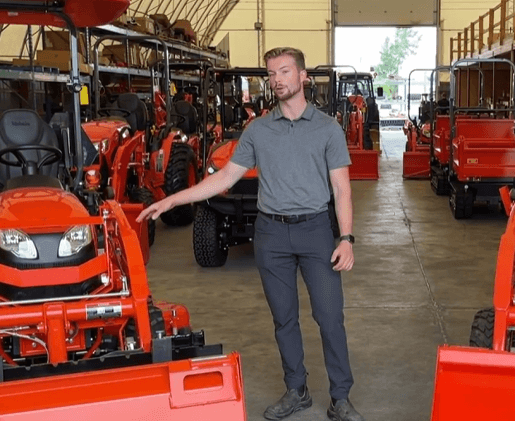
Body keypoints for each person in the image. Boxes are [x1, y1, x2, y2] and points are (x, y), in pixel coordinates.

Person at [136, 47, 363, 421]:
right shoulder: (259, 130)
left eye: (285, 71)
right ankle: (297, 389)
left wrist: (347, 238)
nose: (277, 80)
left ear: (303, 76)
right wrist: (173, 200)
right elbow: (225, 178)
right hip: (272, 235)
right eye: (272, 73)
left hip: (316, 232)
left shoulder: (328, 129)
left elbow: (342, 189)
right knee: (284, 318)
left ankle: (340, 397)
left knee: (329, 317)